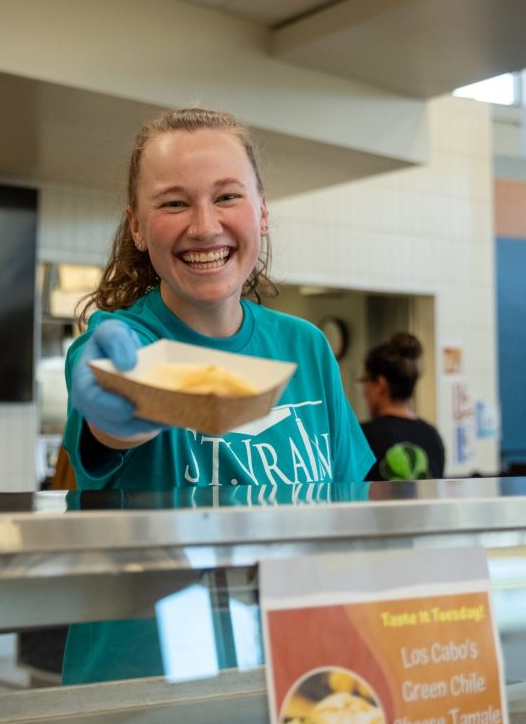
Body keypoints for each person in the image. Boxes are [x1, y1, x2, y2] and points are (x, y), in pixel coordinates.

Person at [62, 107, 374, 682]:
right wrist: (121, 400)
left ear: (262, 211)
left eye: (227, 196)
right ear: (136, 226)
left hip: (286, 681)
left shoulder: (304, 348)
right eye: (174, 202)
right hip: (136, 707)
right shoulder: (121, 345)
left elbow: (348, 518)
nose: (204, 226)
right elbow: (115, 424)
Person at [359, 332, 445, 481]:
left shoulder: (362, 437)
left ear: (380, 384)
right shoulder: (431, 435)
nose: (363, 392)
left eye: (364, 381)